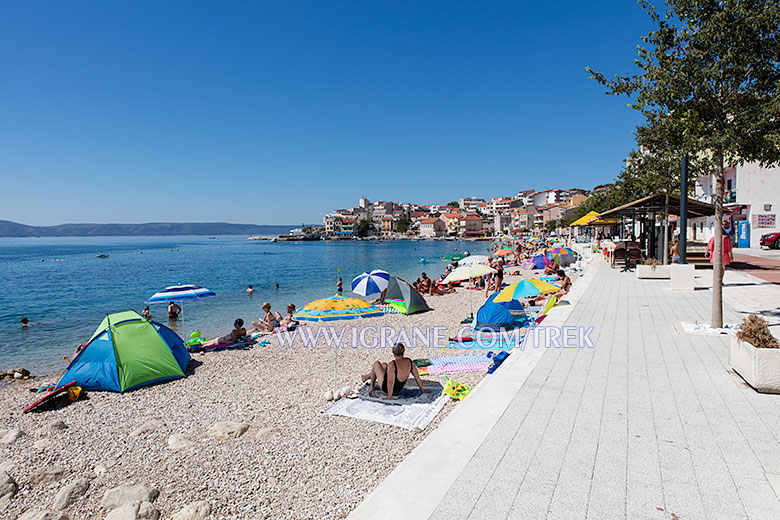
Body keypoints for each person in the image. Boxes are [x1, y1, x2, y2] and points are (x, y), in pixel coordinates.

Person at [361, 343, 429, 400]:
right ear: (403, 351)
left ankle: (372, 386)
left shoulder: (393, 364)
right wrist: (422, 389)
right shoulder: (409, 362)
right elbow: (417, 377)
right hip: (399, 388)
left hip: (387, 388)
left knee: (376, 364)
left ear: (393, 352)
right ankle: (366, 377)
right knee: (384, 365)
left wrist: (389, 397)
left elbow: (390, 382)